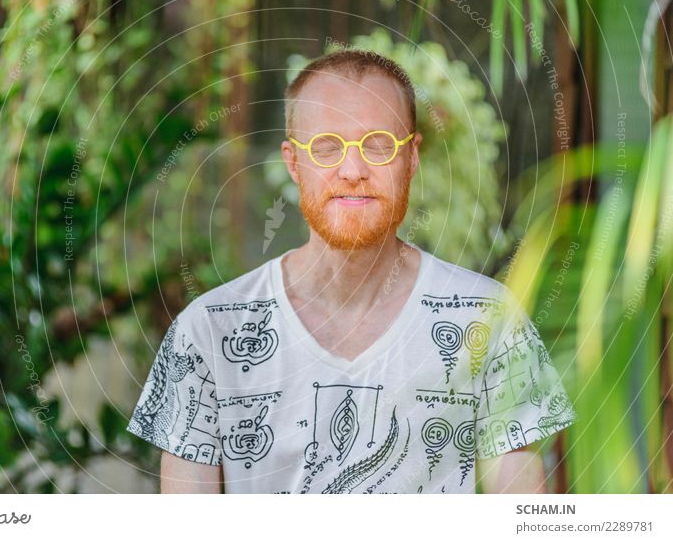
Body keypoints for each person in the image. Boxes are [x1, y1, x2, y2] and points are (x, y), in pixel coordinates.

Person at [126, 49, 576, 494]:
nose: (353, 169)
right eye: (326, 147)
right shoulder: (208, 332)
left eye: (378, 145)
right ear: (293, 162)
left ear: (412, 159)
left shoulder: (487, 319)